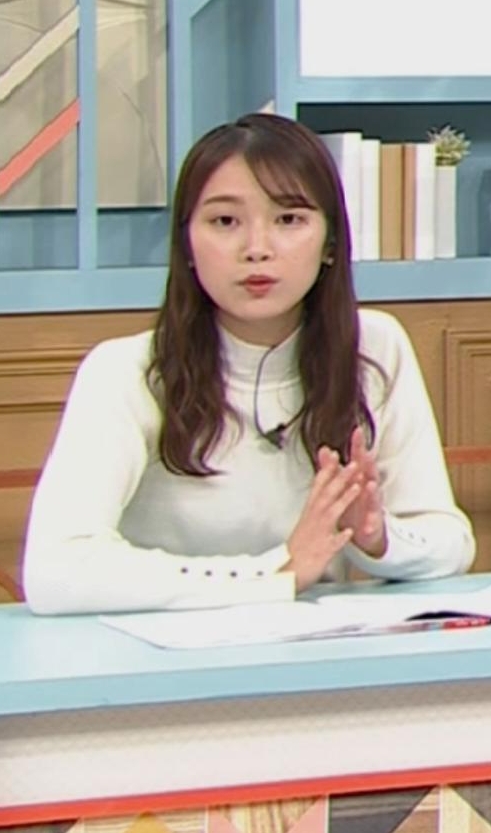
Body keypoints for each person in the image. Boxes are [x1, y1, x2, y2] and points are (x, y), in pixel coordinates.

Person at [23, 113, 475, 615]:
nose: (257, 250)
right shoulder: (126, 372)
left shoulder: (374, 348)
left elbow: (450, 543)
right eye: (225, 222)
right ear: (187, 244)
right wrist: (274, 573)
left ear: (330, 242)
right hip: (160, 653)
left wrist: (377, 535)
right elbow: (55, 571)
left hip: (312, 652)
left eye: (289, 220)